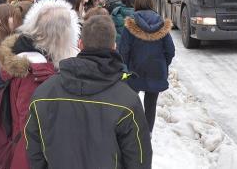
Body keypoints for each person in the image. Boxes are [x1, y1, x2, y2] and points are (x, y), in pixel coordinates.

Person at [25, 15, 152, 168]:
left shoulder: (43, 94)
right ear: (114, 46)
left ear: (80, 44)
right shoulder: (128, 102)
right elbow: (139, 161)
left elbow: (34, 152)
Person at [0, 0, 79, 169]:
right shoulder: (35, 73)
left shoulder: (41, 62)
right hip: (32, 156)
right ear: (60, 36)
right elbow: (30, 127)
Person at [119, 0, 175, 133]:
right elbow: (170, 50)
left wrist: (127, 66)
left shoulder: (130, 25)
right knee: (151, 104)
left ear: (136, 4)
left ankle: (131, 130)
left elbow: (123, 50)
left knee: (130, 101)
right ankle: (148, 132)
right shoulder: (162, 25)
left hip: (134, 71)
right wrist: (163, 64)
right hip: (156, 70)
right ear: (152, 4)